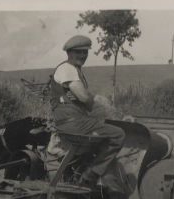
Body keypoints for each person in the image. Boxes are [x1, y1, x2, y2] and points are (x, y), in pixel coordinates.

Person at [48, 35, 126, 190]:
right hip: (73, 123)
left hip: (74, 121)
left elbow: (85, 102)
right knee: (118, 135)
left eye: (85, 52)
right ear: (69, 53)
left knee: (105, 129)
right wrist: (94, 100)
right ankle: (90, 175)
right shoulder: (67, 69)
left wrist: (108, 112)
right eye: (78, 52)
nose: (83, 56)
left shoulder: (74, 70)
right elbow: (84, 97)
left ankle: (94, 176)